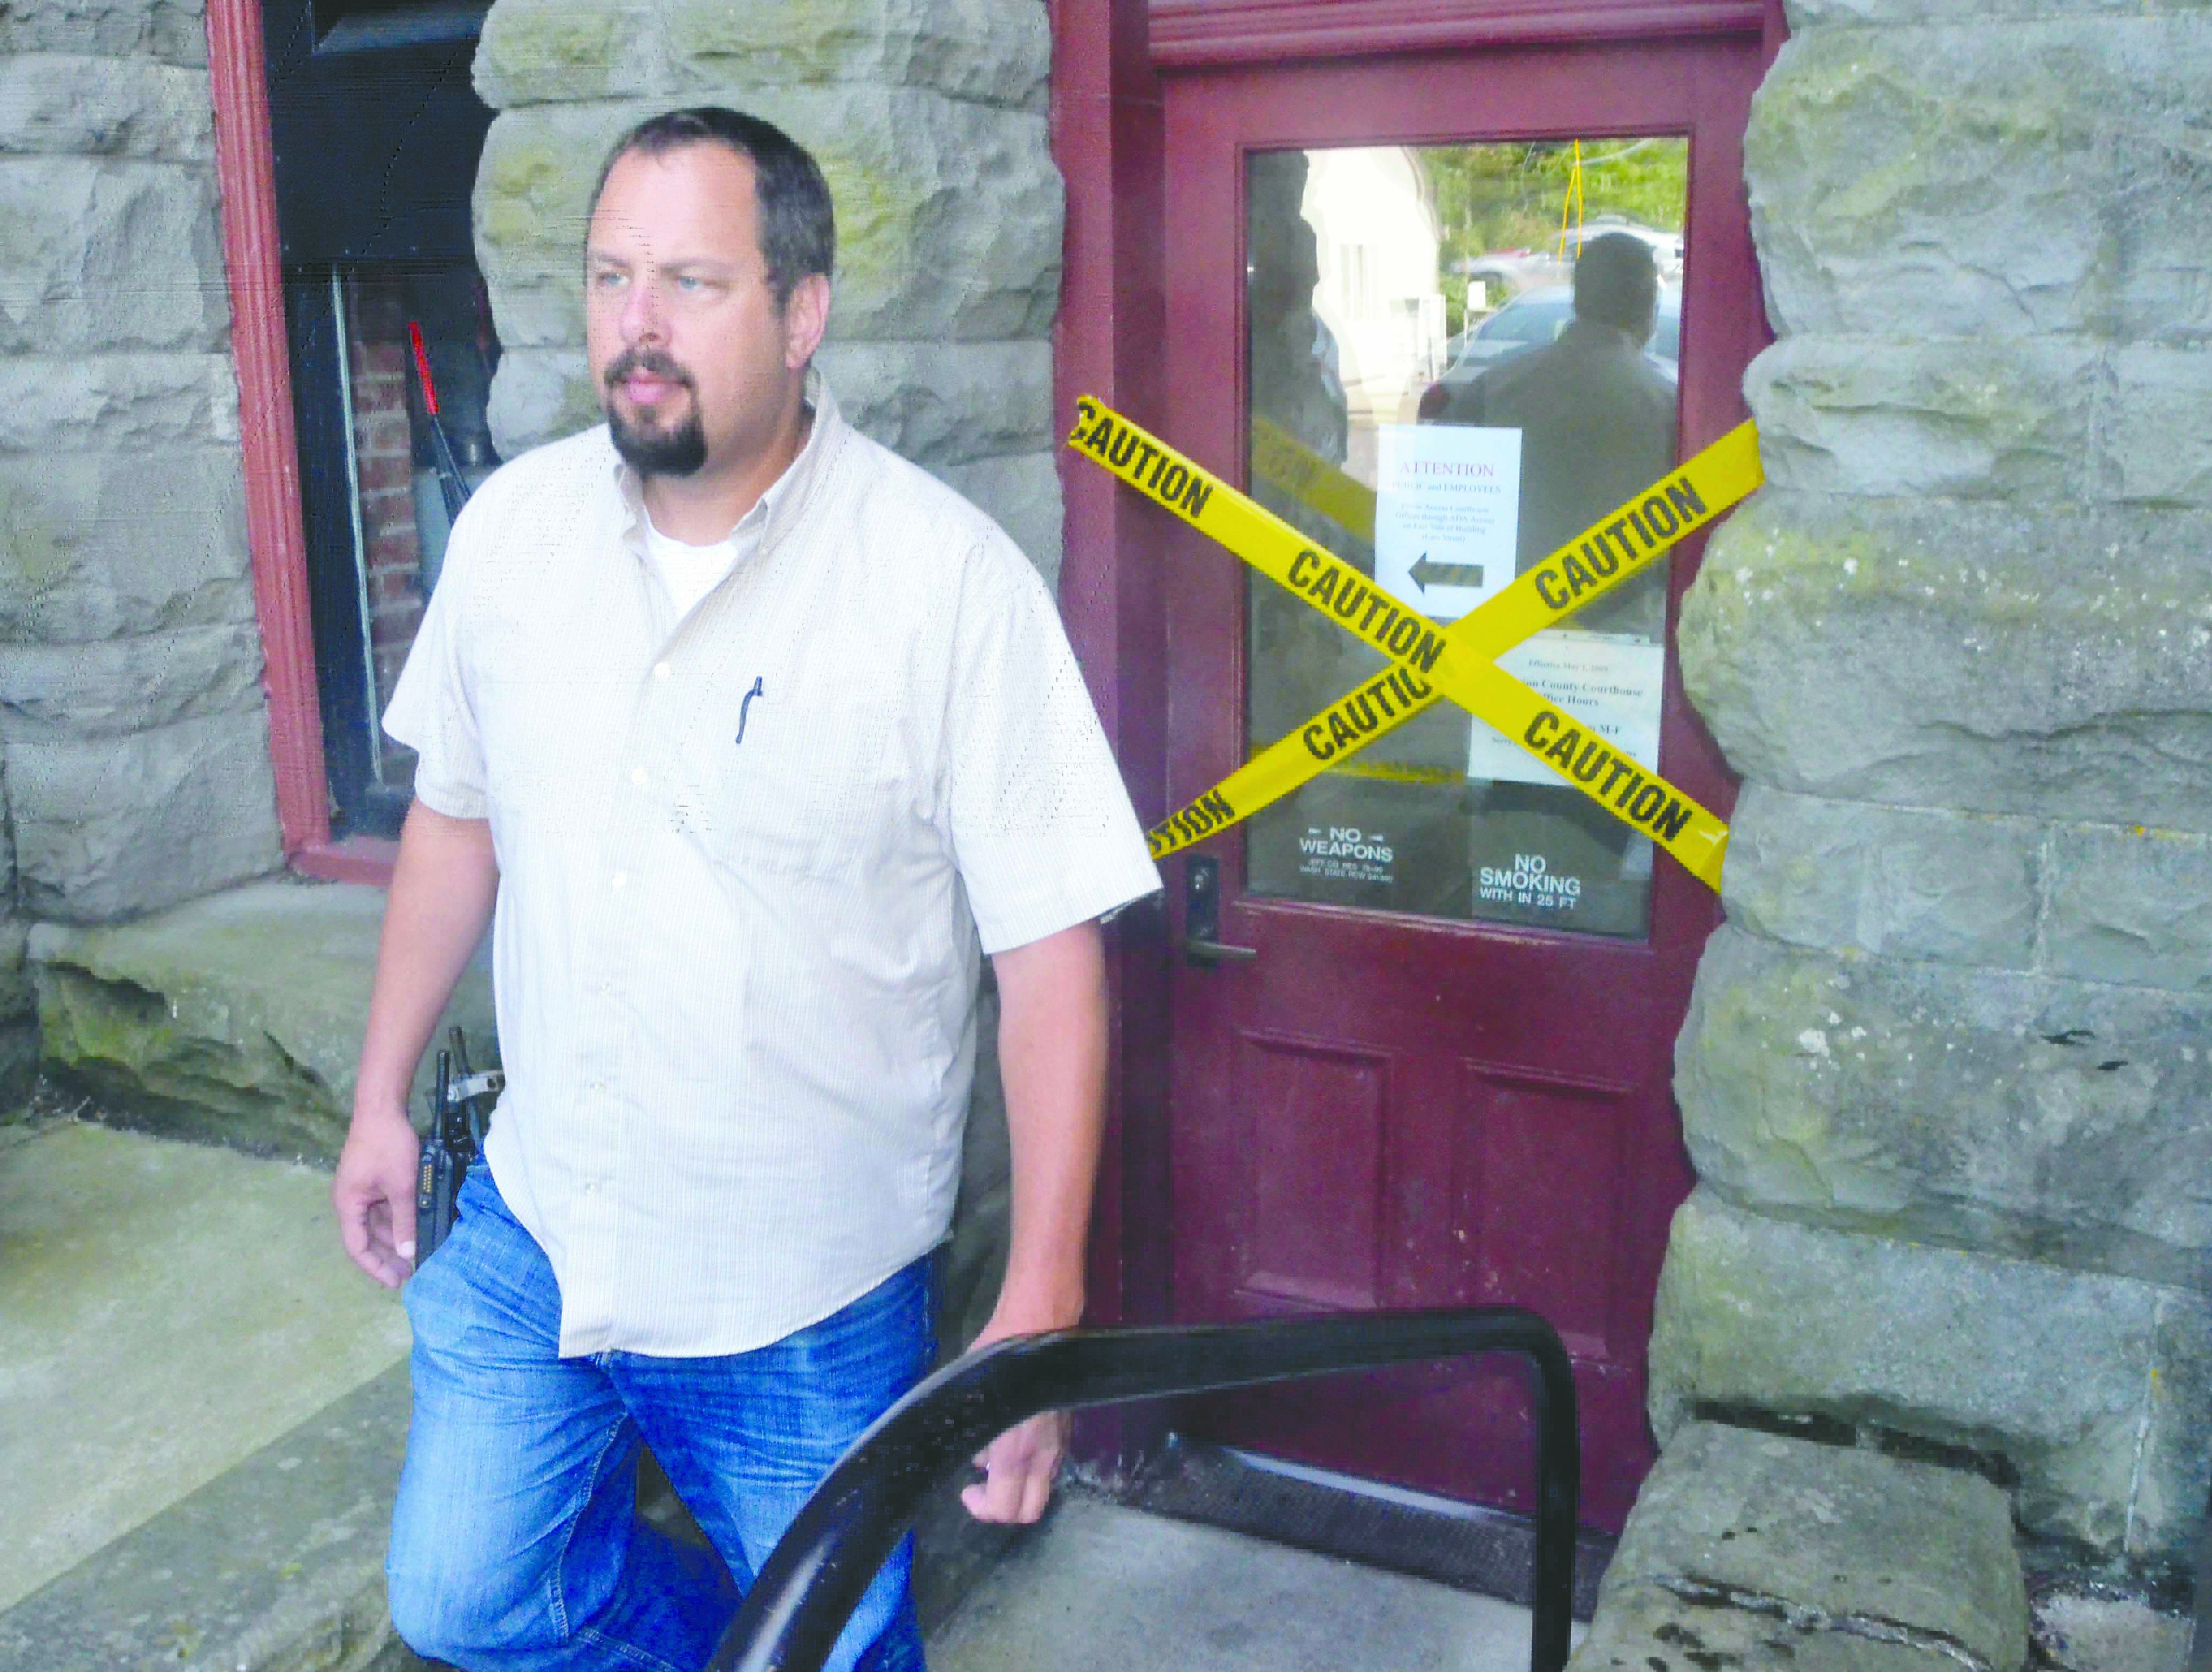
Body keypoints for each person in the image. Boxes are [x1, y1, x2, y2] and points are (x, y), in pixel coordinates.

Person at [330, 106, 1159, 1672]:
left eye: (692, 282)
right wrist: (381, 1095)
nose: (635, 326)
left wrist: (1036, 1302)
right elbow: (455, 820)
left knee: (834, 1650)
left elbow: (1052, 960)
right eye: (609, 277)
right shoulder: (512, 534)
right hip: (543, 1219)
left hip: (803, 1287)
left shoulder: (944, 581)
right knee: (467, 1599)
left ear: (801, 311)